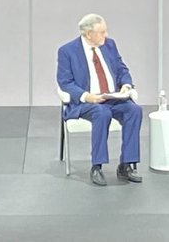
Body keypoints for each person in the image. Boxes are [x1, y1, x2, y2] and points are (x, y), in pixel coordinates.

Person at [56, 13, 143, 186]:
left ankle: (126, 164)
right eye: (101, 32)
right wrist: (87, 96)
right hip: (87, 101)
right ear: (88, 34)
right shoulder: (67, 51)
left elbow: (121, 68)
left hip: (112, 97)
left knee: (134, 110)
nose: (106, 35)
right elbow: (65, 82)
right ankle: (97, 166)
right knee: (102, 113)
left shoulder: (109, 45)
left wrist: (126, 84)